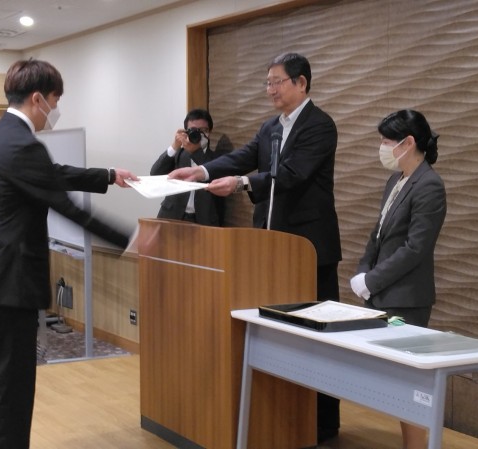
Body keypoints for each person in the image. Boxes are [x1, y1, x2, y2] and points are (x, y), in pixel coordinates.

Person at [0, 59, 137, 449]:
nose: (56, 110)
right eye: (56, 101)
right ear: (38, 98)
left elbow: (50, 174)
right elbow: (67, 207)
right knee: (14, 387)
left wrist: (108, 175)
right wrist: (131, 238)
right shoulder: (24, 144)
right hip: (11, 287)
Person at [169, 52, 342, 442]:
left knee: (316, 337)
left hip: (309, 249)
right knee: (280, 335)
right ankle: (281, 418)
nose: (270, 90)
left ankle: (323, 422)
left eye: (277, 82)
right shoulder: (271, 127)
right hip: (271, 248)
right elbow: (243, 157)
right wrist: (201, 171)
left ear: (301, 83)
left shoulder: (320, 125)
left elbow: (293, 174)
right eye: (267, 83)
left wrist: (242, 183)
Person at [350, 109, 446, 449]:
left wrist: (373, 280)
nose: (382, 147)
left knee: (408, 381)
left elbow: (415, 248)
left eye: (386, 141)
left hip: (407, 299)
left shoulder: (429, 185)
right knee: (391, 379)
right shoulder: (396, 180)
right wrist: (363, 272)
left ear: (408, 143)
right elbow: (377, 235)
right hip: (381, 294)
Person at [150, 108, 227, 225]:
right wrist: (174, 146)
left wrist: (195, 151)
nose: (199, 134)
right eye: (194, 130)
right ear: (186, 132)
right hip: (172, 215)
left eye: (204, 130)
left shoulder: (216, 159)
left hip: (203, 220)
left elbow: (211, 175)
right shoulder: (180, 153)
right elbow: (155, 173)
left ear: (209, 132)